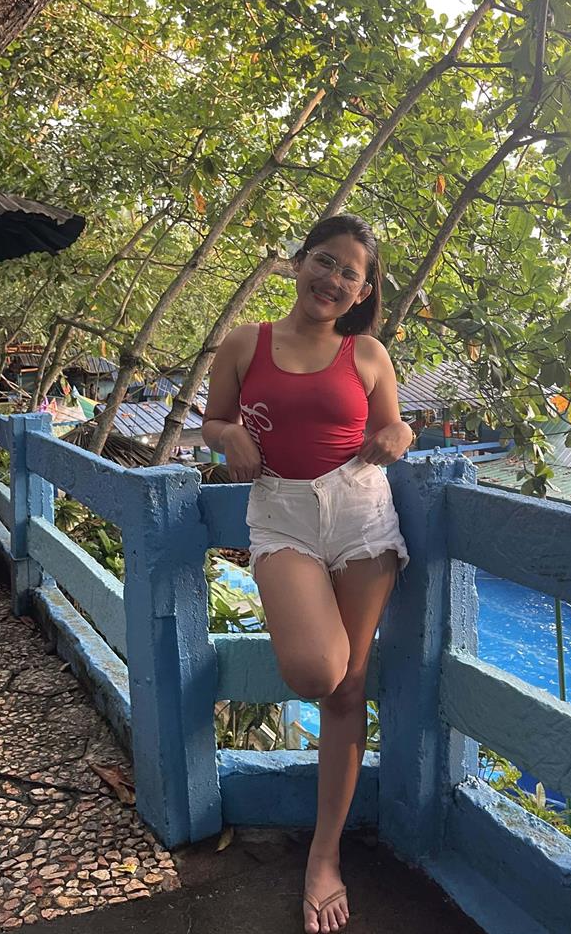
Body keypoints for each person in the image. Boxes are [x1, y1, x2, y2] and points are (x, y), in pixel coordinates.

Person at [202, 214, 413, 934]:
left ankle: (325, 857)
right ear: (299, 263)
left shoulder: (369, 353)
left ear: (363, 292)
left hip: (361, 513)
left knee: (349, 688)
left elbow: (393, 429)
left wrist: (399, 433)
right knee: (317, 671)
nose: (333, 279)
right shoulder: (245, 342)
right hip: (282, 514)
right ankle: (325, 844)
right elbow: (213, 421)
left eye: (350, 273)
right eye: (324, 261)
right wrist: (228, 434)